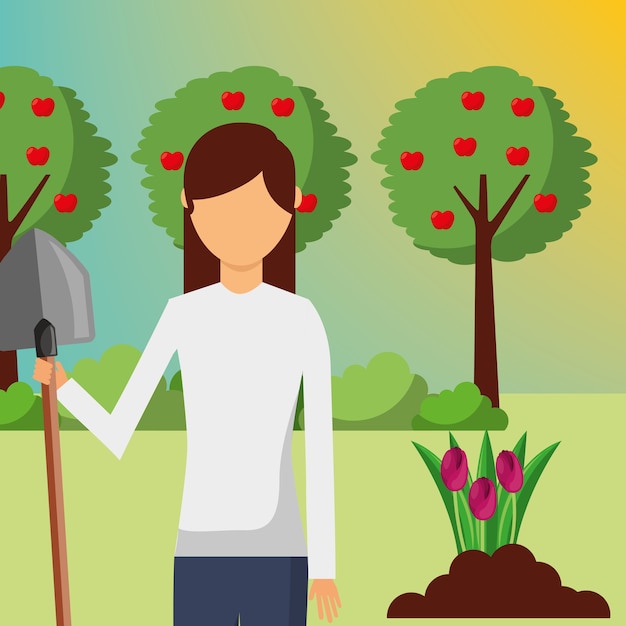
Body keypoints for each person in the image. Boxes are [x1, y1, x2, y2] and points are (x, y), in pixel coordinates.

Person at [34, 122, 340, 625]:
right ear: (189, 205)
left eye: (257, 209)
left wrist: (324, 567)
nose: (241, 228)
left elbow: (320, 446)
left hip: (279, 552)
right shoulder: (182, 314)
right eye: (223, 209)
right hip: (199, 550)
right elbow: (118, 430)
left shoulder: (300, 318)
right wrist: (64, 387)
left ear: (293, 204)